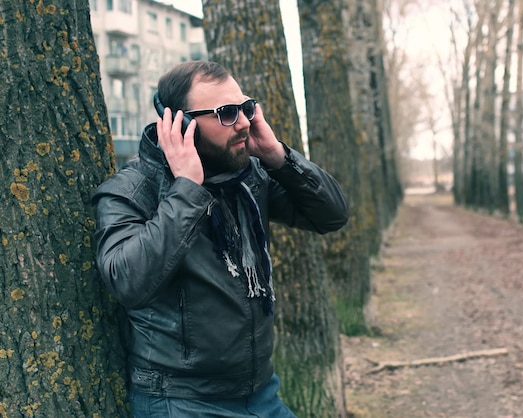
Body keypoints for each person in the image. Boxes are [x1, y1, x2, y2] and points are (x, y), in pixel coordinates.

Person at [92, 60, 349, 417]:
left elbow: (332, 215)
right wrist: (186, 189)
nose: (243, 122)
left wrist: (278, 157)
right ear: (181, 123)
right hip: (180, 402)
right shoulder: (132, 190)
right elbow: (127, 280)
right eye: (226, 113)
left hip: (260, 392)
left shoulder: (245, 176)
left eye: (245, 108)